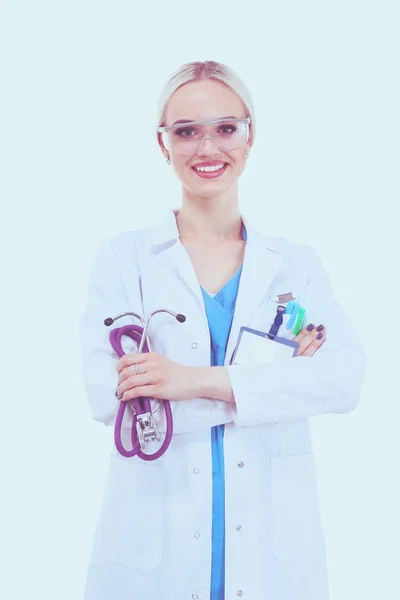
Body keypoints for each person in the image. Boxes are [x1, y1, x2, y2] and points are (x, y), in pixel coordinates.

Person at [79, 60, 367, 600]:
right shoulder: (124, 261)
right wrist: (275, 387)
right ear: (163, 144)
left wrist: (187, 382)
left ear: (250, 135)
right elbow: (106, 399)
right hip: (152, 554)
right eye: (186, 131)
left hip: (271, 558)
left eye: (225, 128)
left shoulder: (294, 266)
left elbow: (344, 381)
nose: (206, 148)